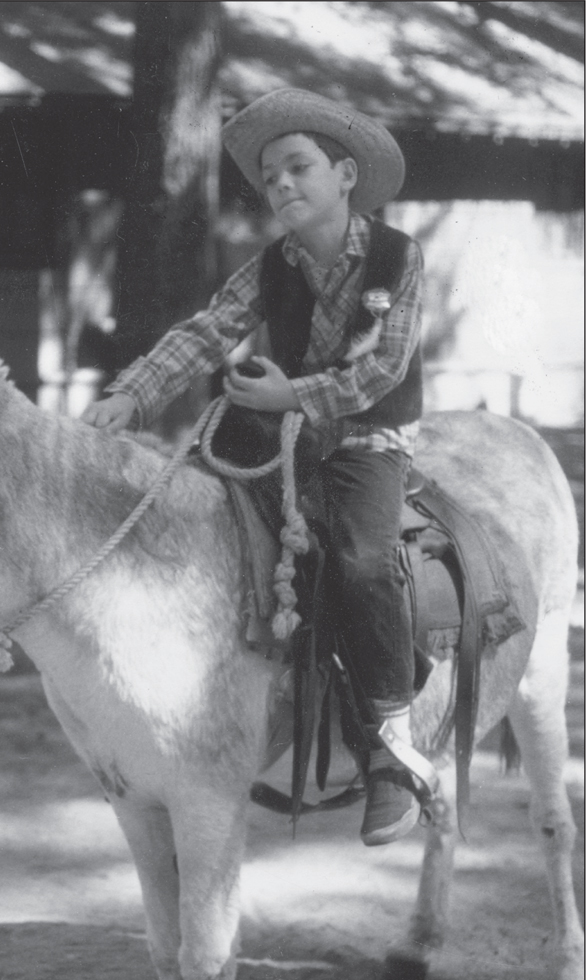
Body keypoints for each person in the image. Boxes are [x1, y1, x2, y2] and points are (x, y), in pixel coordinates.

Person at [81, 88, 425, 846]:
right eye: (269, 178)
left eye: (298, 167)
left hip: (366, 443)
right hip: (287, 441)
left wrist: (289, 391)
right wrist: (131, 396)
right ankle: (222, 707)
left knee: (364, 561)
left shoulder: (399, 257)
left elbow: (382, 371)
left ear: (344, 174)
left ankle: (393, 746)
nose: (282, 187)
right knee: (204, 525)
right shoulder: (272, 265)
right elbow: (207, 331)